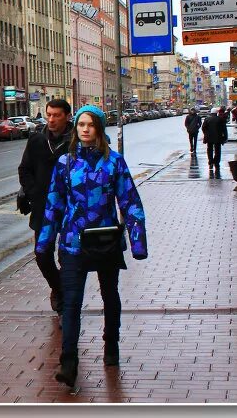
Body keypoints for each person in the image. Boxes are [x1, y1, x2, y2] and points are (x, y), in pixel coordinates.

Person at [36, 105, 147, 388]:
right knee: (71, 303)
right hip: (73, 244)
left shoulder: (114, 163)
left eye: (91, 124)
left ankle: (111, 345)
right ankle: (69, 362)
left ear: (99, 128)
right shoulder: (65, 163)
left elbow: (130, 202)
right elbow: (54, 204)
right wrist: (45, 243)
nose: (85, 129)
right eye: (81, 124)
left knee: (110, 295)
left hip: (105, 242)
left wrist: (137, 243)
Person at [18, 98, 74, 315]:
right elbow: (24, 169)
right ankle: (58, 288)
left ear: (67, 116)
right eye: (48, 115)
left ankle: (67, 299)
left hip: (70, 208)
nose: (51, 119)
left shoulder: (75, 142)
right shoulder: (37, 141)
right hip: (43, 208)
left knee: (66, 255)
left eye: (56, 115)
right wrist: (34, 193)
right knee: (42, 255)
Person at [203, 107, 228, 176]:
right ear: (216, 113)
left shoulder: (207, 119)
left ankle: (210, 161)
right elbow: (224, 129)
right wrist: (225, 137)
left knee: (209, 149)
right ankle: (216, 162)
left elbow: (203, 128)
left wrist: (206, 134)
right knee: (217, 150)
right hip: (218, 137)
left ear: (211, 113)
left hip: (209, 137)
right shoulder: (220, 119)